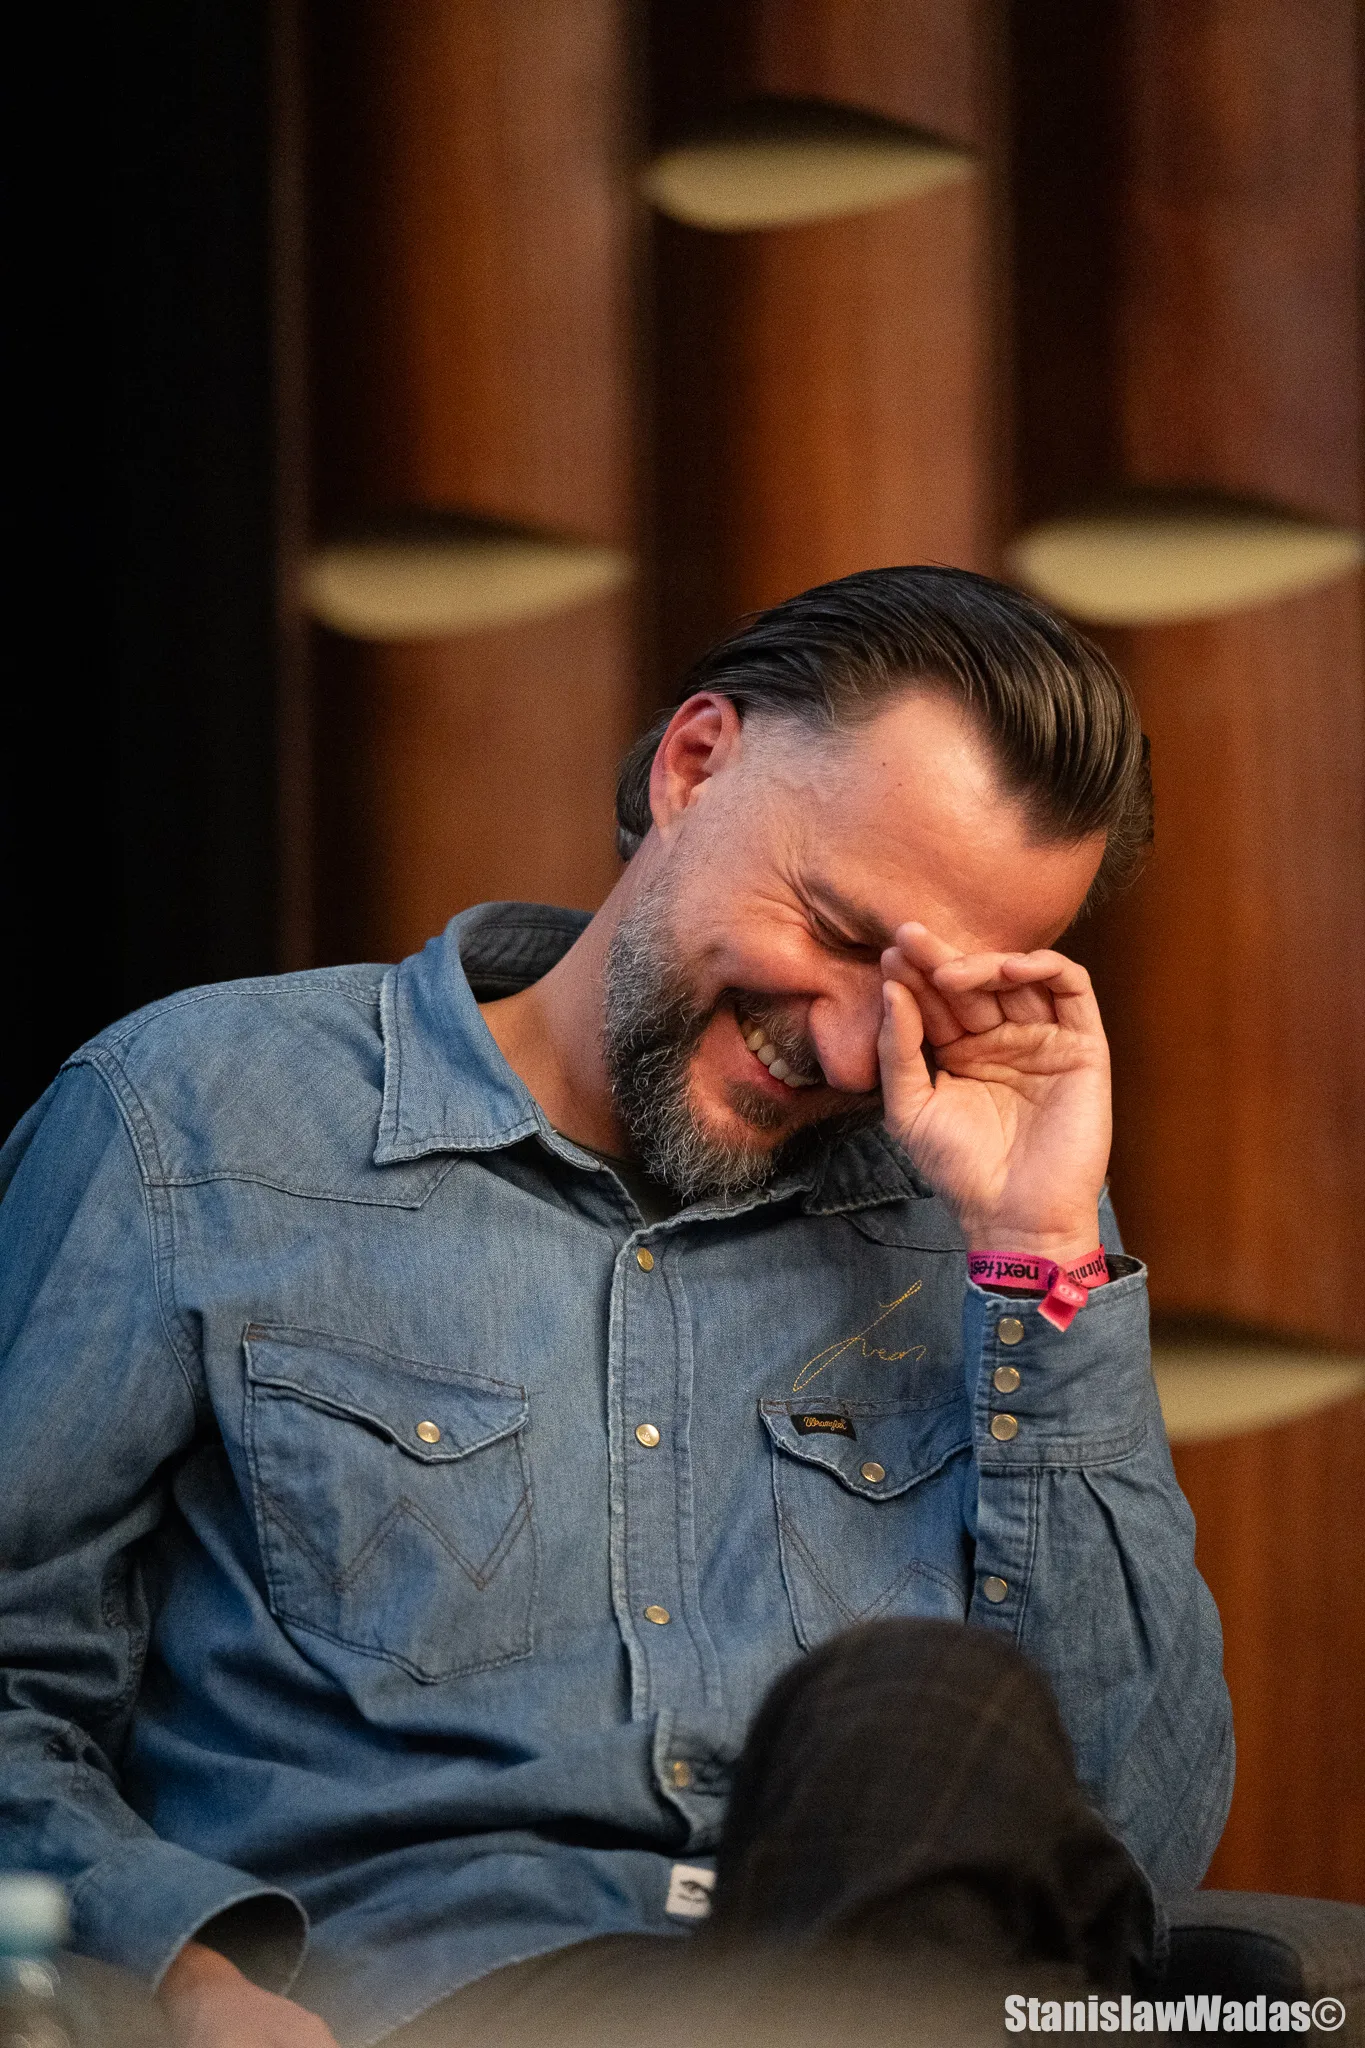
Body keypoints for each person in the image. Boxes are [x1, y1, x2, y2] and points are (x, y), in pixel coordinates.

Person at [0, 567, 1232, 2048]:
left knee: (914, 1720)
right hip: (446, 2007)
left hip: (903, 1997)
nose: (855, 1051)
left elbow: (1137, 1839)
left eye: (931, 1002)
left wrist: (1038, 1252)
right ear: (694, 765)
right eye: (844, 935)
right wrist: (187, 1973)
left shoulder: (991, 1231)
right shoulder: (191, 1122)